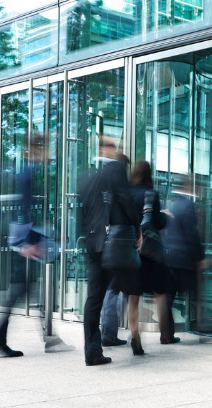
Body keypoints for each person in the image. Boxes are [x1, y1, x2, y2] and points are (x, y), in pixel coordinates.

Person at [79, 136, 140, 366]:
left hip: (93, 242)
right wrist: (137, 229)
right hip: (110, 243)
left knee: (94, 298)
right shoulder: (115, 169)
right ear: (109, 149)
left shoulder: (87, 176)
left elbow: (85, 210)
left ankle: (93, 351)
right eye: (113, 147)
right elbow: (125, 200)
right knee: (128, 284)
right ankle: (130, 331)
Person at [0, 135, 47, 358]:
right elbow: (23, 209)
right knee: (19, 290)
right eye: (43, 149)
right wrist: (26, 243)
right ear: (32, 151)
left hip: (25, 239)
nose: (46, 154)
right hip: (23, 241)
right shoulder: (27, 174)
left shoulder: (28, 172)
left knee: (25, 288)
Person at [124, 161, 168, 355]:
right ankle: (165, 332)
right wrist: (166, 216)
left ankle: (136, 336)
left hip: (131, 249)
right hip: (150, 252)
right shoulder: (152, 194)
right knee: (160, 293)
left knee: (133, 297)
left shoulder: (126, 194)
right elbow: (157, 222)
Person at [162, 174, 205, 344]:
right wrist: (200, 257)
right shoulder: (188, 206)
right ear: (189, 187)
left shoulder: (171, 204)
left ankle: (166, 335)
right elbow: (191, 234)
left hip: (169, 258)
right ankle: (202, 327)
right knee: (197, 294)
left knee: (168, 298)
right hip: (184, 259)